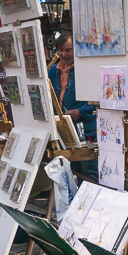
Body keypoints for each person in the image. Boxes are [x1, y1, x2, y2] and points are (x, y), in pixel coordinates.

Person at [48, 32, 98, 180]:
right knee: (72, 168)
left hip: (85, 127)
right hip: (64, 129)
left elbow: (98, 99)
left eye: (67, 50)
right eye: (60, 50)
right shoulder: (54, 70)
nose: (63, 54)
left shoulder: (86, 69)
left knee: (89, 171)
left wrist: (80, 111)